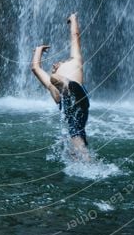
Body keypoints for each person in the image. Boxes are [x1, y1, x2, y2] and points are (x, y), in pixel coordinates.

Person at [31, 13, 90, 159]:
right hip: (78, 107)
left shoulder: (74, 62)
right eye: (54, 65)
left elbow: (75, 36)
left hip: (76, 91)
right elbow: (35, 69)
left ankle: (65, 85)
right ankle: (86, 160)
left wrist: (73, 19)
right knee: (76, 134)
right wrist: (38, 50)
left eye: (59, 62)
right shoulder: (70, 66)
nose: (55, 63)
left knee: (54, 81)